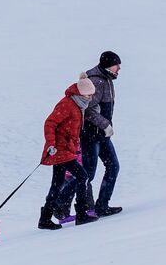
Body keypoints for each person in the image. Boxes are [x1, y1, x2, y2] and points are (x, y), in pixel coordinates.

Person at [56, 51, 123, 217]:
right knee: (88, 173)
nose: (119, 68)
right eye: (117, 65)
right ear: (108, 65)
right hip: (90, 134)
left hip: (102, 135)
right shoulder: (96, 81)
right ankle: (60, 202)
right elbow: (88, 110)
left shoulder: (106, 80)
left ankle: (102, 205)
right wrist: (105, 124)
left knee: (113, 166)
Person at [38, 73, 100, 230]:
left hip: (66, 149)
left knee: (57, 184)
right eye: (88, 94)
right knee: (83, 176)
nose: (90, 98)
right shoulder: (67, 104)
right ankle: (81, 214)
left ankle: (45, 218)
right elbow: (50, 123)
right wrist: (51, 143)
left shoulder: (78, 105)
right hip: (60, 150)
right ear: (80, 92)